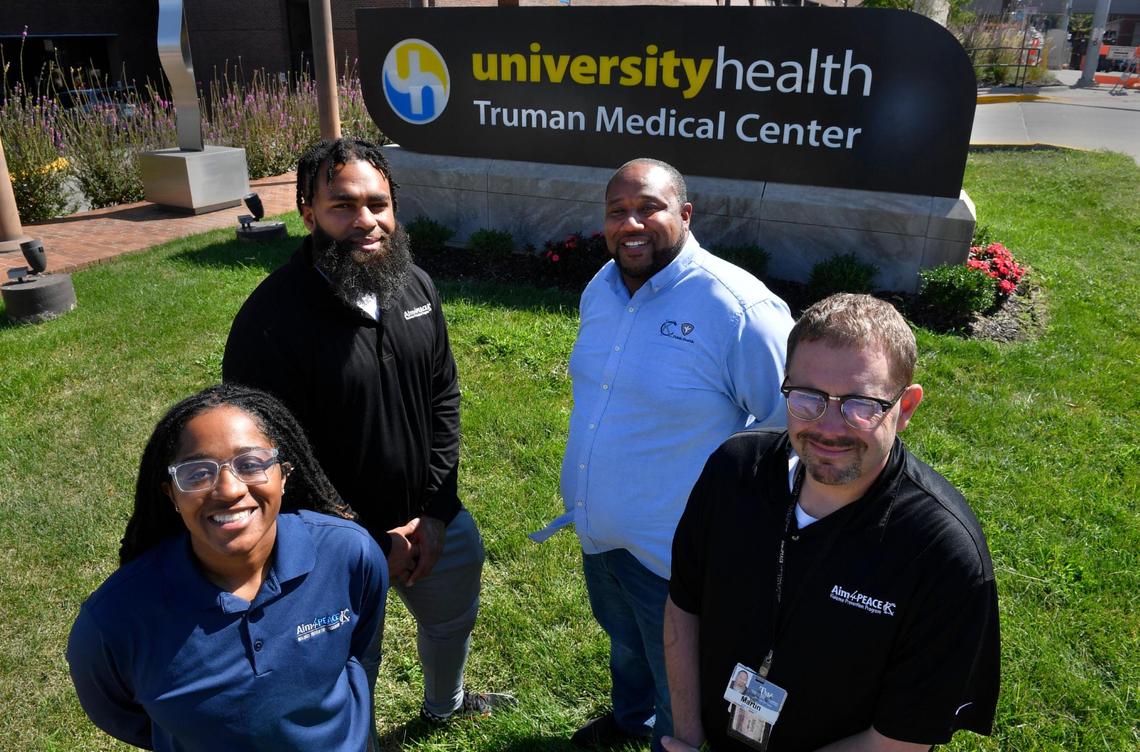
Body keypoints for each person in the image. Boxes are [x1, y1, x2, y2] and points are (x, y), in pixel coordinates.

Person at [222, 137, 513, 724]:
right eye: (343, 206)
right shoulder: (270, 320)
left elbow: (443, 397)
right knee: (350, 663)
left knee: (452, 623)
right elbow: (263, 459)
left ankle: (445, 707)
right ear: (308, 213)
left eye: (378, 204)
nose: (367, 221)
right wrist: (365, 541)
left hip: (432, 519)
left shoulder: (415, 286)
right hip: (326, 545)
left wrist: (437, 510)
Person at [663, 294, 1001, 752]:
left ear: (905, 408)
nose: (829, 427)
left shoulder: (942, 553)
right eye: (809, 397)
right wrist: (687, 736)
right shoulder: (735, 470)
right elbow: (684, 605)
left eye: (861, 404)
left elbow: (898, 742)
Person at [533, 157, 794, 750]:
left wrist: (736, 526)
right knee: (626, 643)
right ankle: (632, 719)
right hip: (600, 532)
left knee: (683, 683)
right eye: (617, 211)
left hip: (678, 555)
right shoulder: (602, 287)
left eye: (649, 208)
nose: (631, 224)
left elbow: (788, 427)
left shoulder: (739, 310)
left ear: (686, 213)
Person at [67, 384, 388, 751]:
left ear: (283, 474)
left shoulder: (348, 553)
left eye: (250, 464)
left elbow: (361, 653)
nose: (229, 489)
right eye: (198, 473)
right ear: (172, 493)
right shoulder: (113, 623)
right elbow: (123, 717)